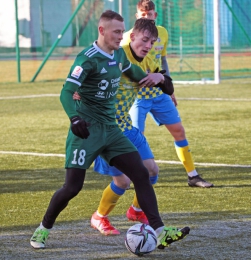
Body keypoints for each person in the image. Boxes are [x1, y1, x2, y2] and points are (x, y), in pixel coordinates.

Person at [30, 10, 190, 250]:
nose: (121, 36)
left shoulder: (119, 57)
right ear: (102, 31)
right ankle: (42, 229)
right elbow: (66, 92)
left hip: (113, 130)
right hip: (87, 130)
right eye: (117, 31)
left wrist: (162, 80)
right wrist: (74, 118)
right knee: (72, 187)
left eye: (122, 31)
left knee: (142, 174)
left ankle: (160, 231)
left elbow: (138, 75)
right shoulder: (87, 58)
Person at [73, 18, 174, 236]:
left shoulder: (147, 60)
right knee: (123, 180)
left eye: (152, 42)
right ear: (132, 36)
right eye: (144, 40)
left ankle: (137, 210)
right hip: (106, 128)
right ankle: (99, 217)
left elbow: (167, 85)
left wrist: (160, 76)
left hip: (127, 127)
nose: (148, 46)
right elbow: (82, 78)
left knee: (152, 171)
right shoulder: (118, 54)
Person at [121, 0, 214, 188]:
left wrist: (168, 86)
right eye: (143, 14)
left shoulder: (162, 33)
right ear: (137, 17)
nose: (148, 17)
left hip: (158, 93)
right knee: (137, 137)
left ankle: (192, 176)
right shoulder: (125, 40)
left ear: (155, 15)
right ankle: (132, 177)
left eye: (151, 14)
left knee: (179, 130)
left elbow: (162, 60)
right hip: (137, 97)